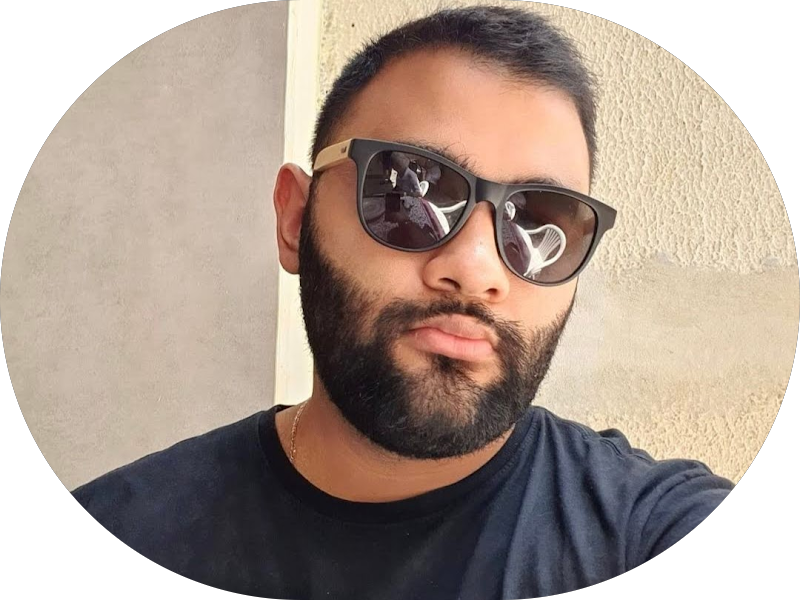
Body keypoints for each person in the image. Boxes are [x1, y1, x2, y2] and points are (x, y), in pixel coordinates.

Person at [73, 5, 733, 598]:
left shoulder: (643, 527)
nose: (476, 270)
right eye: (407, 191)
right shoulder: (131, 524)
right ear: (295, 220)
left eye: (540, 222)